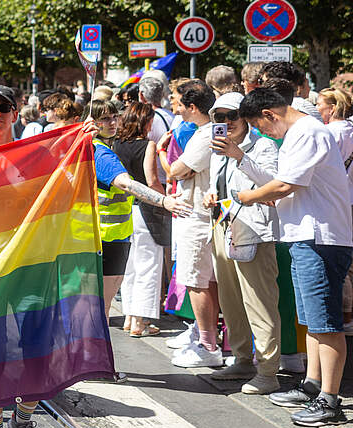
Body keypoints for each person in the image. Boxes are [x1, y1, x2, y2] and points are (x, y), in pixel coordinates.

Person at [0, 86, 182, 428]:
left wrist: (161, 200)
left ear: (15, 113)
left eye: (3, 107)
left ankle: (24, 421)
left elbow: (110, 173)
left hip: (33, 268)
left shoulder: (39, 154)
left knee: (41, 352)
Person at [236, 84, 353, 426]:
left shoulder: (307, 132)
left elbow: (287, 184)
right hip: (307, 235)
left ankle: (330, 401)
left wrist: (250, 196)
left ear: (269, 114)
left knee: (325, 323)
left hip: (320, 237)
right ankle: (313, 385)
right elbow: (288, 185)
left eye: (260, 126)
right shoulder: (301, 133)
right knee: (313, 320)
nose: (263, 133)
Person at [206, 92, 282, 394]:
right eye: (218, 117)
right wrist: (210, 195)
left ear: (245, 117)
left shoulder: (262, 145)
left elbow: (272, 183)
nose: (226, 123)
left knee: (259, 301)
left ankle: (268, 370)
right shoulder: (216, 151)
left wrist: (240, 155)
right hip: (224, 226)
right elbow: (220, 185)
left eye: (231, 116)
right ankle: (242, 357)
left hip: (254, 231)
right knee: (231, 301)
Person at [164, 80, 222, 368]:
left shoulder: (204, 134)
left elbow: (178, 169)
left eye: (179, 104)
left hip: (196, 216)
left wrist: (163, 155)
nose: (176, 109)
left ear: (193, 107)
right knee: (207, 282)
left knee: (197, 283)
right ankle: (207, 340)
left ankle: (208, 345)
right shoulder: (209, 131)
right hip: (203, 215)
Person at [113, 103, 171, 337]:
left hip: (123, 210)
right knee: (149, 266)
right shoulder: (148, 145)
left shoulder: (115, 144)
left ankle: (129, 317)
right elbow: (151, 180)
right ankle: (140, 322)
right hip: (145, 210)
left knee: (130, 266)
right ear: (145, 122)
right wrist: (165, 200)